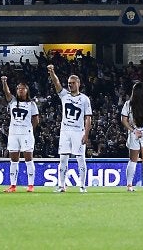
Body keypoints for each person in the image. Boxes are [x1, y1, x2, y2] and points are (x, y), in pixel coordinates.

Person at [47, 64, 92, 193]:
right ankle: (62, 185)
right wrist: (52, 72)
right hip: (65, 131)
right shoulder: (64, 96)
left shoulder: (84, 99)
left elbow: (88, 118)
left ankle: (82, 186)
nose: (70, 85)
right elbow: (56, 83)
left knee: (80, 158)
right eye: (68, 83)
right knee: (63, 158)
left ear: (78, 83)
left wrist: (86, 134)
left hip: (78, 132)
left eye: (72, 83)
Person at [1, 75, 40, 193]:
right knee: (13, 160)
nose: (20, 90)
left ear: (27, 91)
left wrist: (29, 130)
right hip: (13, 134)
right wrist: (4, 82)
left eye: (22, 88)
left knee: (28, 159)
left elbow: (36, 120)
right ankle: (13, 185)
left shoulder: (31, 104)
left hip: (26, 134)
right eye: (18, 88)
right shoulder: (12, 101)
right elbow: (7, 93)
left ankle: (31, 185)